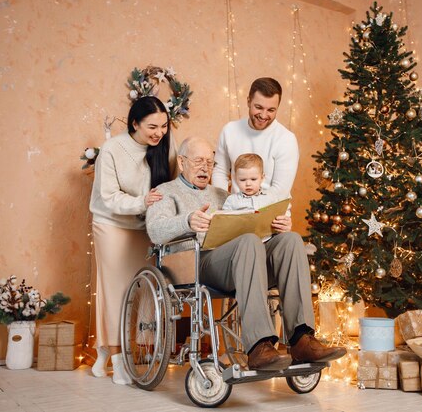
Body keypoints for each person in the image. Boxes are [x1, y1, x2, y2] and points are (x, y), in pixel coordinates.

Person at [146, 137, 346, 371]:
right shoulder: (165, 192)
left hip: (244, 260)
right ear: (181, 162)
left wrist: (279, 225)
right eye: (198, 160)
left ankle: (301, 338)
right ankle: (259, 346)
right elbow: (154, 231)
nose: (205, 167)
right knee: (249, 241)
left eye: (210, 162)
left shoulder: (224, 195)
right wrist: (187, 221)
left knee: (290, 240)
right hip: (200, 262)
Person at [89, 96, 177, 384]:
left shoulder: (164, 147)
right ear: (135, 123)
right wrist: (143, 201)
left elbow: (172, 187)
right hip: (112, 224)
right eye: (152, 126)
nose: (159, 132)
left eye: (164, 126)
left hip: (145, 228)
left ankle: (110, 353)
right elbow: (108, 196)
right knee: (115, 291)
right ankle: (118, 358)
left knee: (141, 291)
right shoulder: (113, 149)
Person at [212, 77, 298, 210]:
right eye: (259, 107)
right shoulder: (229, 130)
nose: (263, 115)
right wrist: (224, 208)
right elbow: (220, 171)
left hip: (272, 213)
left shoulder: (286, 139)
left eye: (271, 110)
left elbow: (280, 191)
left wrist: (250, 209)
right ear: (248, 101)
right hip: (237, 212)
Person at [221, 153, 286, 212]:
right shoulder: (231, 200)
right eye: (243, 180)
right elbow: (223, 219)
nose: (248, 184)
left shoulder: (271, 198)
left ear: (262, 178)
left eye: (253, 179)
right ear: (235, 179)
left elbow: (277, 216)